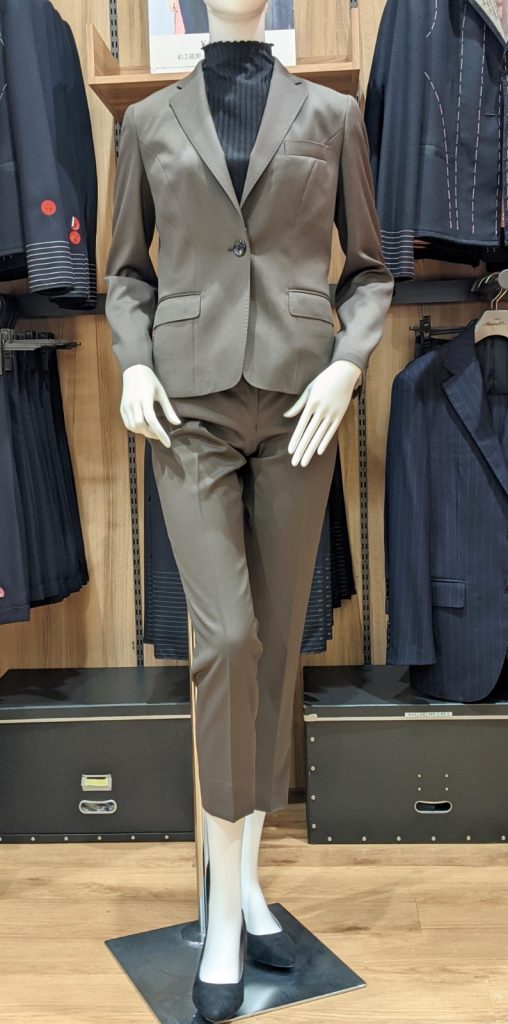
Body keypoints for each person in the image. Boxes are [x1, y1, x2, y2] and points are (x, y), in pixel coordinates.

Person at [105, 1, 393, 1018]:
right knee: (225, 638)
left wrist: (347, 366)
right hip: (187, 406)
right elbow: (124, 273)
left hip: (299, 403)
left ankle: (246, 881)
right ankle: (222, 914)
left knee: (274, 646)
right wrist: (132, 363)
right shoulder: (146, 122)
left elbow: (369, 271)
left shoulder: (331, 116)